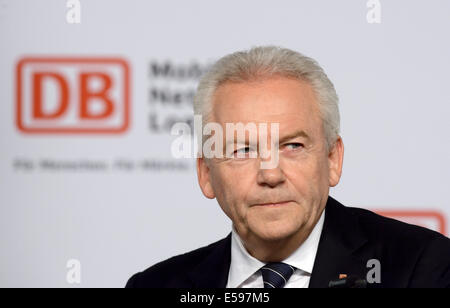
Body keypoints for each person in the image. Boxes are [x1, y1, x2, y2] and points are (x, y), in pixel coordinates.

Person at [126, 46, 450, 288]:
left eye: (292, 146)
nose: (270, 174)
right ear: (206, 174)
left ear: (333, 159)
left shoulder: (421, 269)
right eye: (242, 150)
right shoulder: (156, 285)